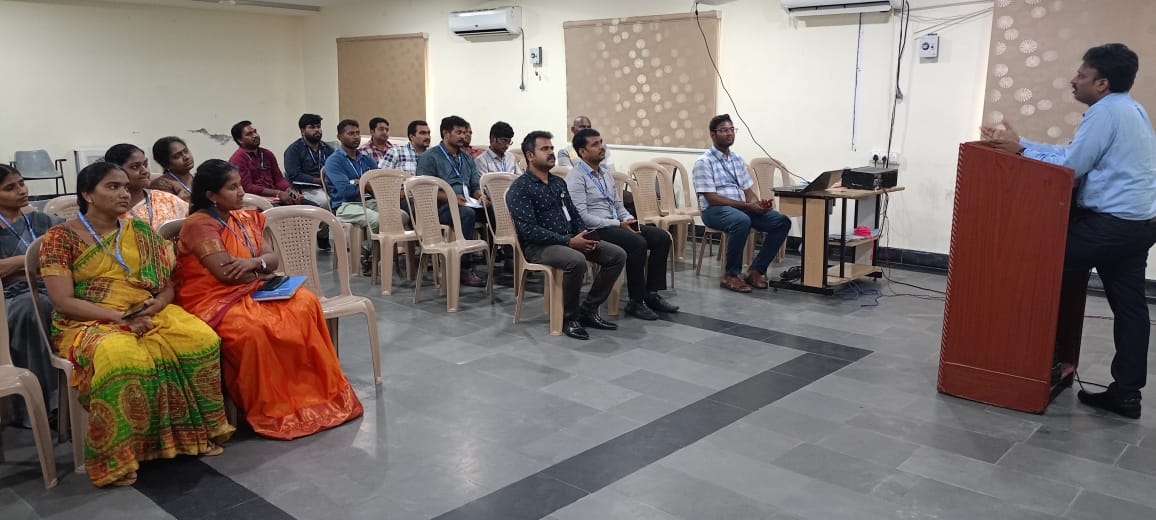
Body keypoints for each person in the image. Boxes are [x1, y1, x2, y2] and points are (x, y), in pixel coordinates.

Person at [981, 43, 1156, 419]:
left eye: (1081, 75)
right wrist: (1021, 145)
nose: (1073, 80)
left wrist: (1019, 153)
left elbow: (1070, 169)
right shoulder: (1131, 109)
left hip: (1108, 226)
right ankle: (1127, 395)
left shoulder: (1103, 112)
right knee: (1130, 308)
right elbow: (1072, 154)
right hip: (1139, 225)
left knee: (1037, 274)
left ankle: (1037, 365)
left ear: (1102, 83)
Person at [40, 162, 233, 487]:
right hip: (87, 320)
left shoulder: (140, 231)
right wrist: (118, 317)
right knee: (121, 358)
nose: (123, 193)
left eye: (125, 187)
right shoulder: (60, 238)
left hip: (147, 311)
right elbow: (63, 301)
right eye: (112, 186)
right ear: (87, 194)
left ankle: (193, 435)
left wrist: (159, 303)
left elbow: (166, 286)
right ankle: (120, 454)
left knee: (200, 339)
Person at [175, 159, 363, 439]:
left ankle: (314, 395)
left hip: (252, 287)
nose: (241, 192)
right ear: (211, 195)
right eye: (232, 188)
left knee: (305, 303)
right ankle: (275, 407)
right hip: (212, 299)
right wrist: (259, 267)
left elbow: (272, 259)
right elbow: (226, 273)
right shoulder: (200, 224)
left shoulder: (243, 218)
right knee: (253, 329)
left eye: (240, 185)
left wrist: (254, 264)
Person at [507, 131, 625, 340]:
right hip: (539, 246)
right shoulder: (521, 188)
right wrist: (569, 242)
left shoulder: (558, 183)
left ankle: (589, 309)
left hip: (569, 239)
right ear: (530, 155)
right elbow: (529, 230)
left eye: (552, 148)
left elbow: (574, 214)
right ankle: (570, 318)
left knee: (616, 255)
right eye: (544, 149)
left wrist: (583, 235)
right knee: (576, 260)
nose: (551, 152)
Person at [566, 129, 678, 320]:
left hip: (615, 224)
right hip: (595, 229)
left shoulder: (605, 173)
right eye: (595, 144)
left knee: (661, 237)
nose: (602, 147)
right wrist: (618, 224)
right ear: (582, 152)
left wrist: (627, 219)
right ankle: (636, 301)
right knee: (637, 243)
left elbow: (618, 204)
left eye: (601, 142)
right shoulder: (576, 177)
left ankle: (652, 294)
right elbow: (583, 217)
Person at [693, 114, 791, 293]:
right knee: (741, 220)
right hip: (714, 210)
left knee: (781, 221)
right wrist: (747, 206)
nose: (729, 133)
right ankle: (731, 275)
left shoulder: (737, 159)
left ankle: (755, 271)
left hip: (741, 209)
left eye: (732, 129)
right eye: (724, 130)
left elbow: (748, 192)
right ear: (713, 134)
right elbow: (712, 198)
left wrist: (757, 204)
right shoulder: (704, 162)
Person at [0, 165, 61, 429]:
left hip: (49, 285)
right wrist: (34, 258)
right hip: (8, 297)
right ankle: (41, 406)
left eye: (21, 183)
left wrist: (15, 266)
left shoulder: (43, 221)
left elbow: (64, 251)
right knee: (34, 307)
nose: (21, 190)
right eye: (10, 188)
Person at [416, 115, 486, 287]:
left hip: (466, 202)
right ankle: (464, 267)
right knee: (467, 214)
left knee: (494, 209)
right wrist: (450, 197)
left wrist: (479, 195)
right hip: (439, 208)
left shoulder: (466, 158)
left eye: (465, 132)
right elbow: (423, 189)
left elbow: (475, 184)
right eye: (459, 132)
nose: (463, 136)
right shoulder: (430, 157)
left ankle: (507, 258)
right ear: (446, 133)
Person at [324, 119, 382, 275]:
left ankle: (366, 248)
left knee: (400, 215)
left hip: (367, 201)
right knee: (376, 220)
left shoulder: (366, 159)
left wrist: (358, 182)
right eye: (351, 133)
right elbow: (346, 191)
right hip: (344, 205)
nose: (356, 137)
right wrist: (365, 184)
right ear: (340, 137)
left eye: (357, 133)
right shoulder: (334, 161)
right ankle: (369, 259)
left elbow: (378, 184)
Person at [104, 143, 188, 230]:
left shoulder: (166, 199)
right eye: (135, 167)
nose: (145, 171)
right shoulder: (106, 209)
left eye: (145, 164)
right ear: (116, 172)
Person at [228, 120, 305, 206]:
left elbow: (279, 179)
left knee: (310, 206)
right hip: (256, 200)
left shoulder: (267, 154)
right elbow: (247, 187)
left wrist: (289, 190)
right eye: (249, 134)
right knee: (287, 211)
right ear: (240, 140)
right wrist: (278, 193)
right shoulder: (238, 158)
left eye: (255, 132)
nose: (255, 135)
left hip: (276, 197)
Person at [283, 113, 335, 209]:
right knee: (327, 202)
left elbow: (335, 169)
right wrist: (320, 181)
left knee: (345, 198)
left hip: (329, 186)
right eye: (312, 127)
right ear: (302, 130)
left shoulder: (328, 149)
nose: (317, 130)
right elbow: (294, 175)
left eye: (318, 127)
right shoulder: (293, 150)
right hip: (306, 189)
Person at [149, 136, 195, 202]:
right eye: (177, 156)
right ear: (165, 164)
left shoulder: (197, 177)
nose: (186, 157)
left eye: (186, 151)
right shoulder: (161, 184)